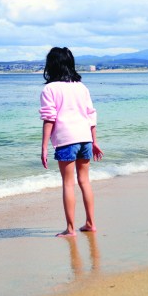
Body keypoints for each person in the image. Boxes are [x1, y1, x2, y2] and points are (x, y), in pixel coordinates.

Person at [39, 47, 103, 237]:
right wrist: (94, 141)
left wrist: (43, 147)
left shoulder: (50, 89)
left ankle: (70, 229)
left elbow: (49, 118)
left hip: (66, 141)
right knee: (85, 181)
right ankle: (90, 223)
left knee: (68, 184)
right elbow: (91, 115)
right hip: (85, 138)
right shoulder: (81, 87)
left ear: (51, 65)